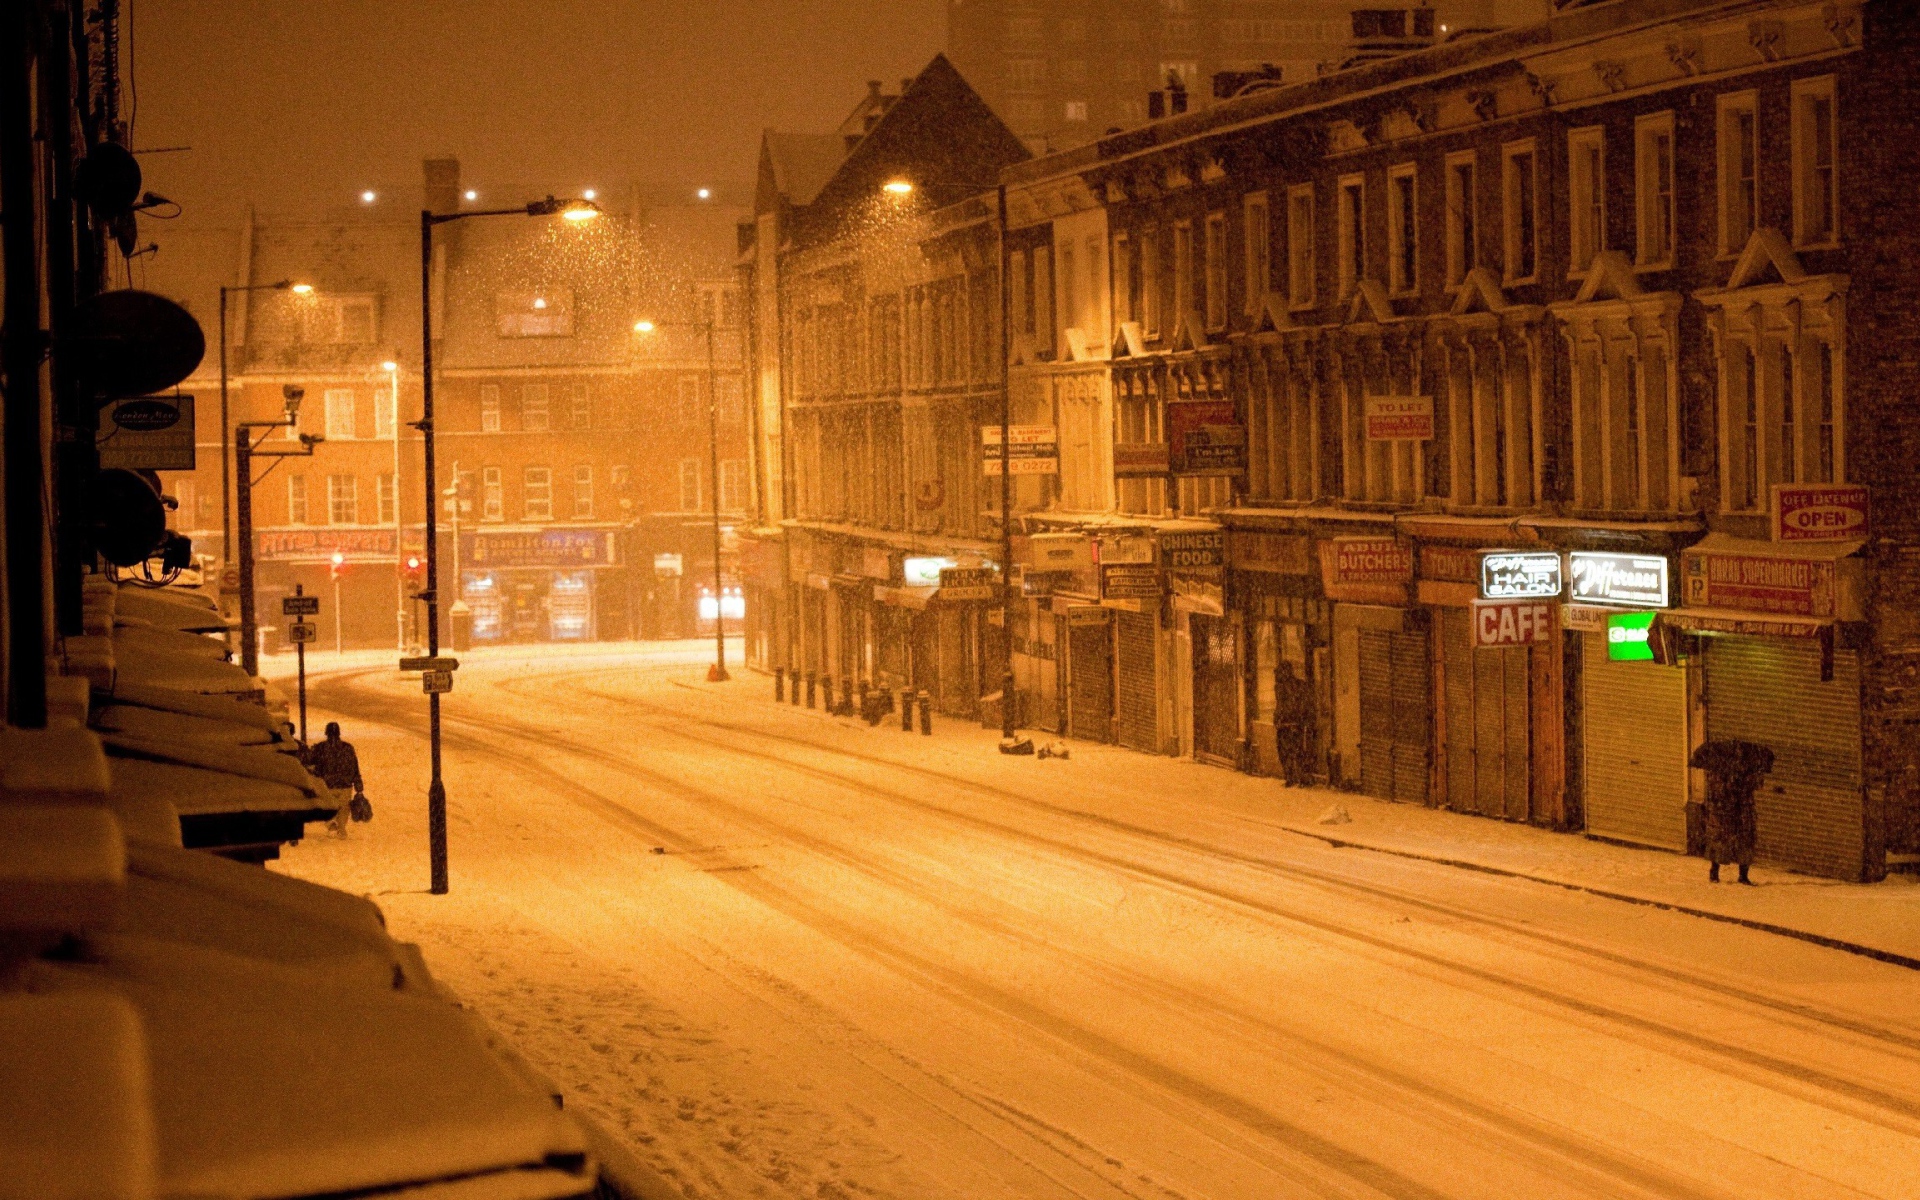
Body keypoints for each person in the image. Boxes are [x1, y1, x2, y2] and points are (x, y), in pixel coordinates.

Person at [1689, 739, 1774, 884]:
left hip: (1741, 811)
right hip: (1724, 812)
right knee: (1721, 841)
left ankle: (1742, 875)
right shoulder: (1719, 774)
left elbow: (1755, 786)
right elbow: (1716, 793)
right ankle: (1715, 872)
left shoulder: (1745, 772)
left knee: (1744, 842)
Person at [307, 721, 365, 837]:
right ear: (339, 733)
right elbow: (354, 765)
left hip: (327, 784)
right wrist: (357, 782)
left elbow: (310, 762)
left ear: (326, 733)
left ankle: (332, 825)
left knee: (327, 806)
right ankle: (342, 828)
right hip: (345, 784)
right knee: (344, 808)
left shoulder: (320, 748)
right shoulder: (347, 748)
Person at [1273, 660, 1313, 788]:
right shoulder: (1294, 685)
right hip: (1291, 723)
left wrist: (1281, 718)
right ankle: (1297, 778)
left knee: (1290, 751)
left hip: (1290, 723)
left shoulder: (1287, 686)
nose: (1276, 676)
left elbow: (1286, 706)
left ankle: (1295, 777)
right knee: (1295, 751)